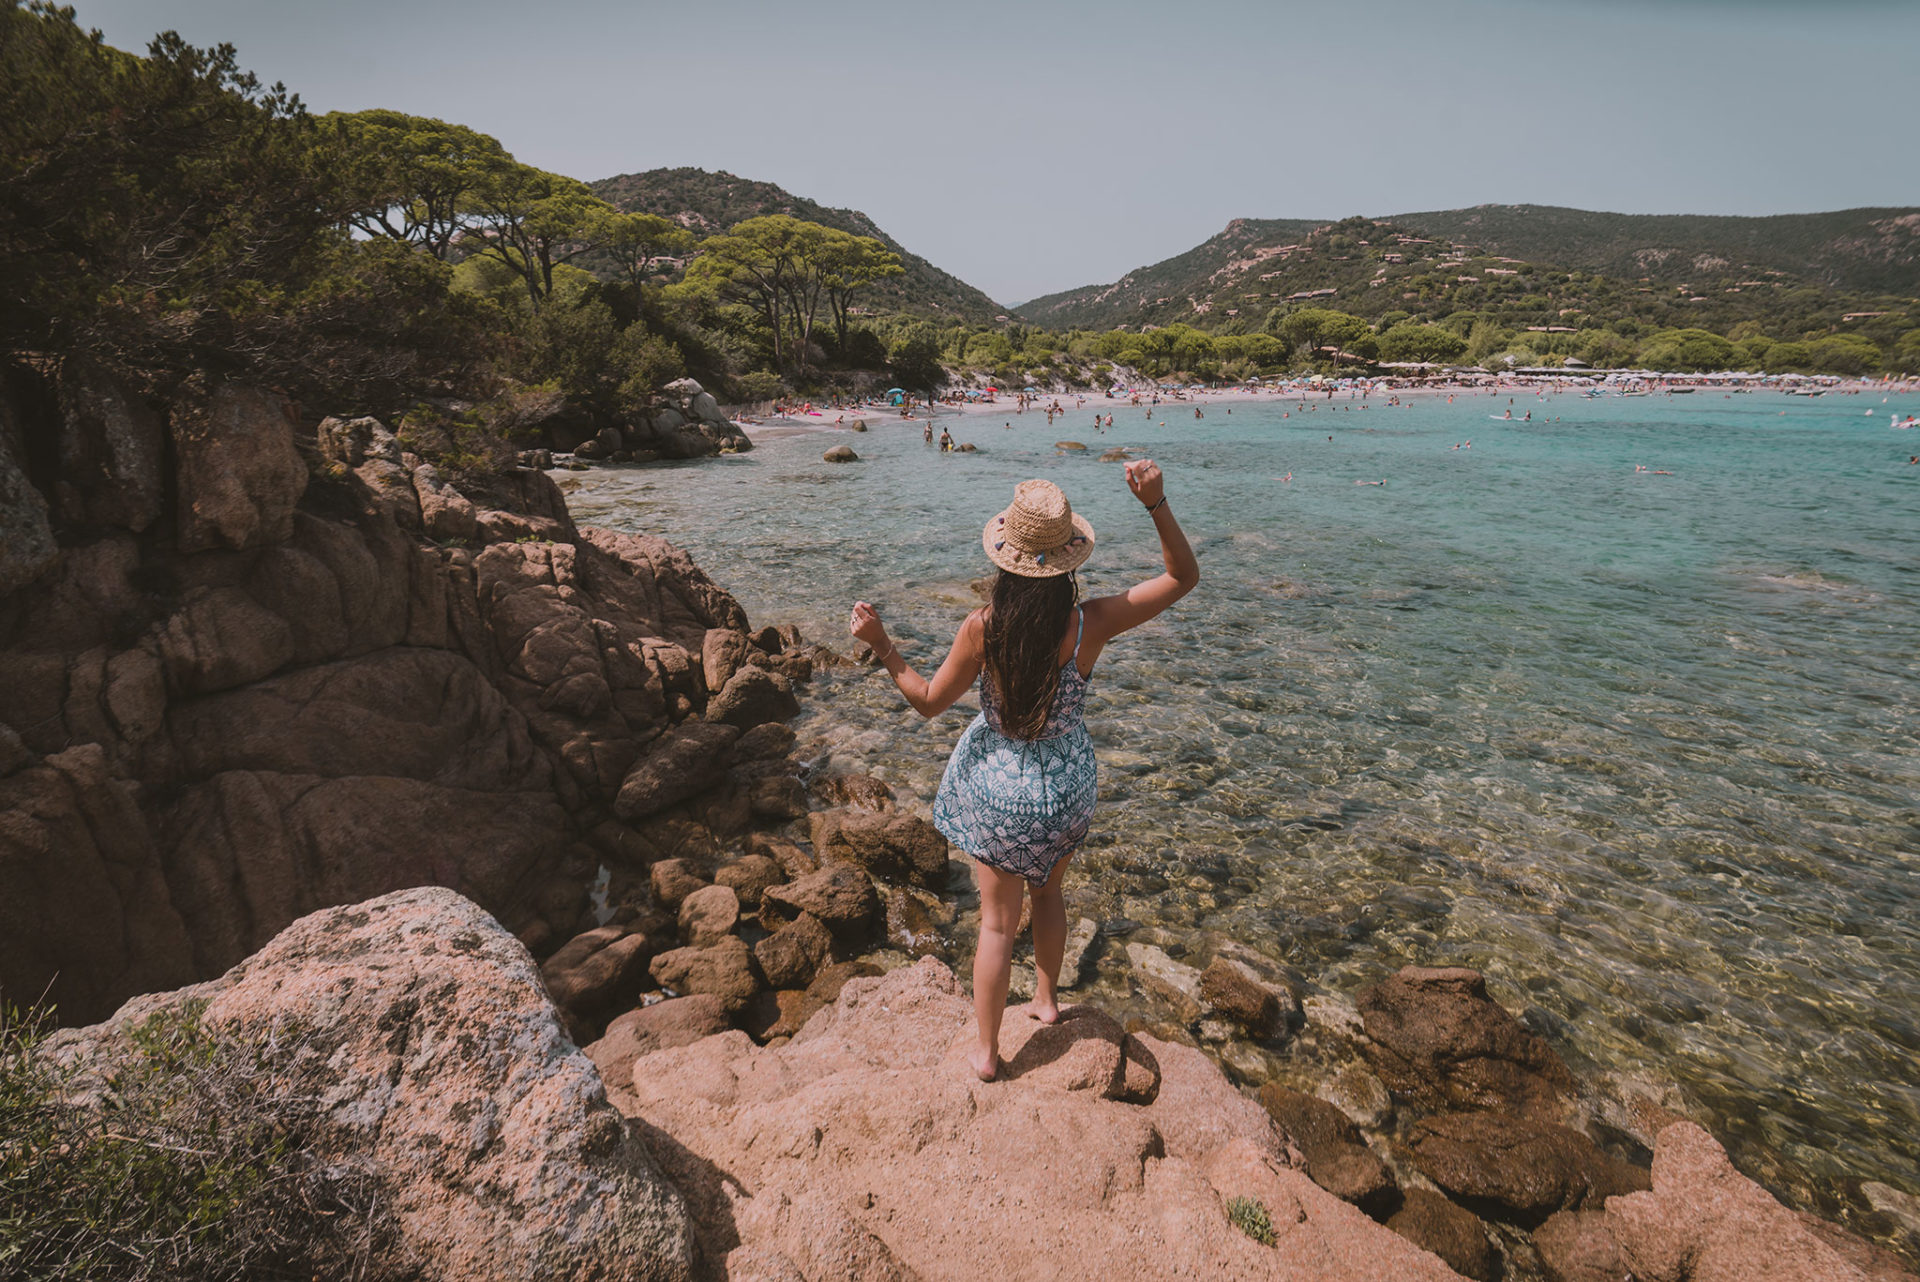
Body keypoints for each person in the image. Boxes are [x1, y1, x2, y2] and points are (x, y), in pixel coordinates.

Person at [848, 465, 1198, 1082]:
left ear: (1007, 560)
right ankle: (1045, 1002)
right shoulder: (1090, 623)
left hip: (1001, 790)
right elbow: (1181, 577)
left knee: (995, 923)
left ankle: (986, 1054)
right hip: (1066, 788)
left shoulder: (983, 629)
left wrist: (882, 644)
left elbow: (929, 700)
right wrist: (1156, 503)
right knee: (1050, 893)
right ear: (1068, 560)